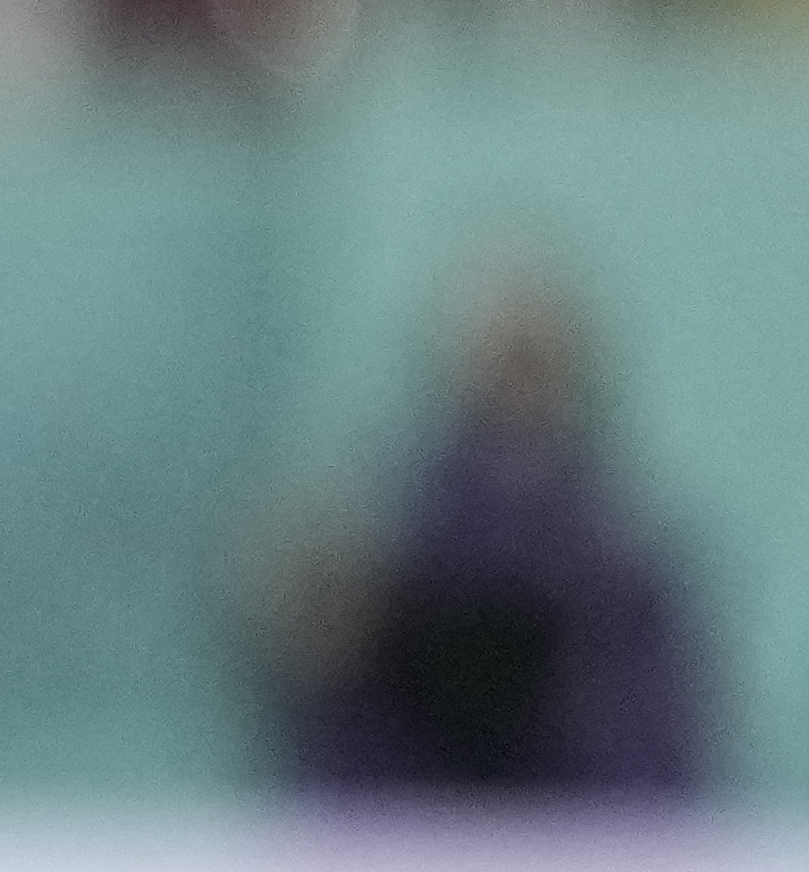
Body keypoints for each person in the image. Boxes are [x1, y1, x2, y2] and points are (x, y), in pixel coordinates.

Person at [273, 264, 712, 800]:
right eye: (500, 362)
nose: (516, 389)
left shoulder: (626, 579)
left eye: (533, 362)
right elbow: (341, 788)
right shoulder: (380, 565)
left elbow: (654, 772)